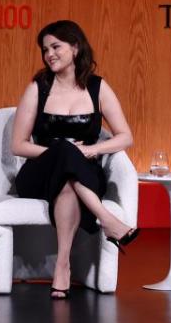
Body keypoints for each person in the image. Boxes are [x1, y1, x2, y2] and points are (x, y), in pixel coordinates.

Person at [10, 20, 139, 300]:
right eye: (45, 49)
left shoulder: (97, 87)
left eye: (56, 46)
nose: (49, 54)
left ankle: (63, 265)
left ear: (76, 47)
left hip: (83, 173)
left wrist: (91, 151)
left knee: (69, 180)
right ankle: (106, 219)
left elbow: (125, 137)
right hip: (39, 174)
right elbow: (18, 145)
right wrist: (63, 153)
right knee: (64, 150)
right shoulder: (38, 87)